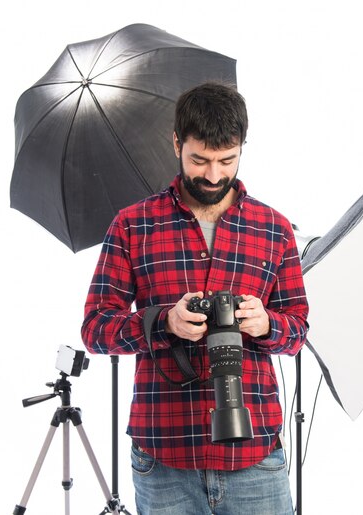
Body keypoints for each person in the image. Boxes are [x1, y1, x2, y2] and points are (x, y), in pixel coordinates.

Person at [82, 82, 309, 515]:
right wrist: (163, 322)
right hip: (165, 456)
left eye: (227, 160)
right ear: (176, 143)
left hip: (254, 454)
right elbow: (95, 328)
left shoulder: (274, 228)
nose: (213, 175)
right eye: (199, 159)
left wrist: (266, 324)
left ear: (242, 147)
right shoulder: (133, 225)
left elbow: (297, 331)